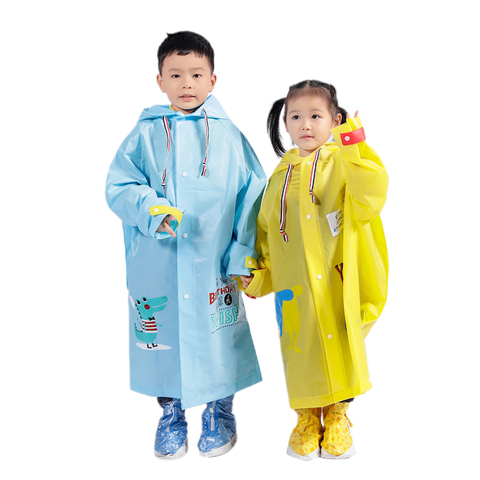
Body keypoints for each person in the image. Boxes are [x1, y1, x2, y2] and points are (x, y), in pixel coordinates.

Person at [105, 31, 266, 460]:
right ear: (160, 81)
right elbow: (119, 186)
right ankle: (171, 412)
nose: (186, 83)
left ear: (213, 80)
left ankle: (219, 411)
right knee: (163, 336)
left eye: (196, 74)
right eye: (175, 74)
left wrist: (242, 251)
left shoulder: (229, 136)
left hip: (214, 260)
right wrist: (150, 208)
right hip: (159, 260)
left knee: (220, 335)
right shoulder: (144, 134)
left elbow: (254, 196)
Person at [241, 80, 388, 460]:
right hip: (295, 288)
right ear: (285, 124)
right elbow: (267, 234)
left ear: (335, 120)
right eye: (296, 117)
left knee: (341, 344)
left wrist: (353, 144)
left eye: (316, 116)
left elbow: (371, 193)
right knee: (299, 349)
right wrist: (260, 276)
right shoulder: (279, 177)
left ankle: (338, 416)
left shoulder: (344, 162)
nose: (305, 124)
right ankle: (306, 418)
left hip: (337, 278)